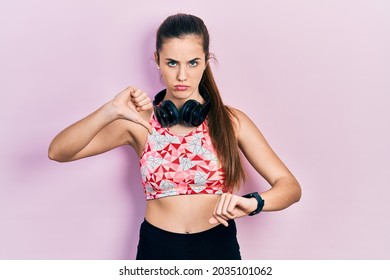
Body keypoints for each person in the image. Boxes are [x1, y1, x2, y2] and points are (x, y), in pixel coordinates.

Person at [48, 13, 301, 260]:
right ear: (157, 60)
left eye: (193, 63)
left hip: (218, 248)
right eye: (172, 63)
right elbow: (58, 151)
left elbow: (289, 187)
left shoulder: (231, 122)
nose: (182, 76)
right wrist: (110, 110)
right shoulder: (139, 122)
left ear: (205, 61)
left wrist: (254, 203)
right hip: (157, 250)